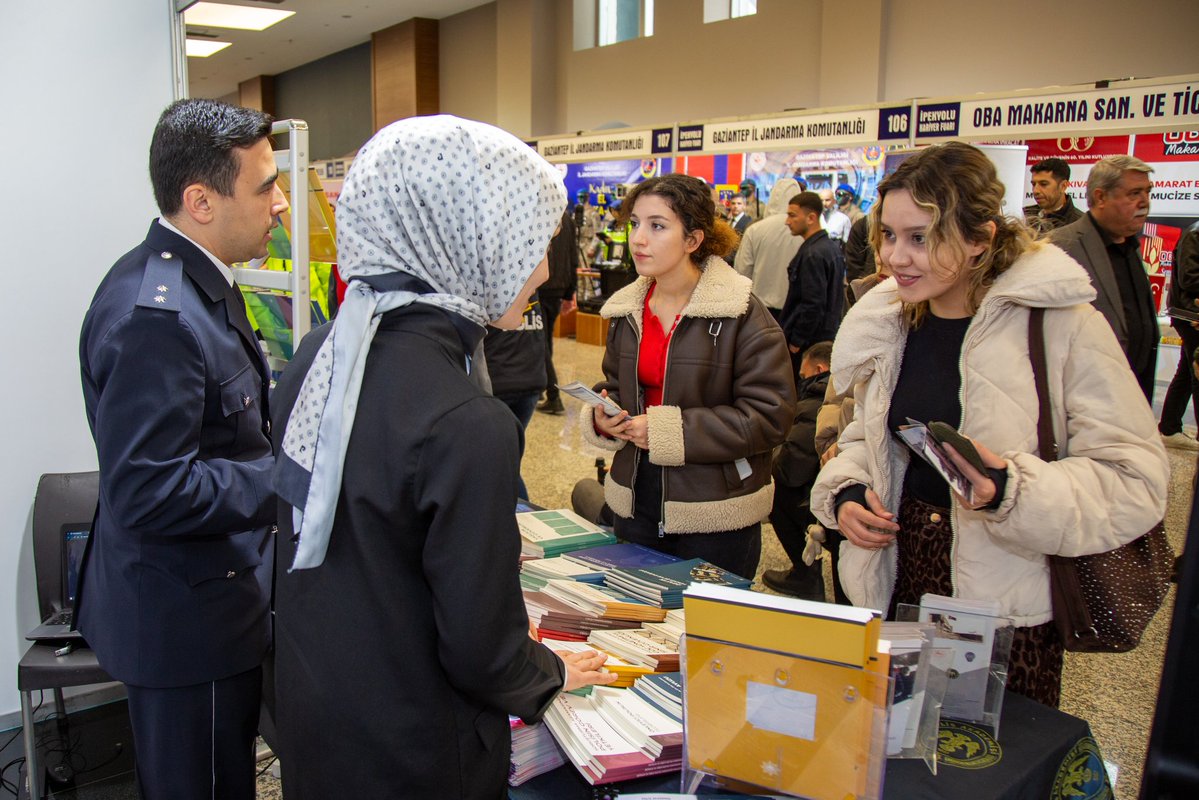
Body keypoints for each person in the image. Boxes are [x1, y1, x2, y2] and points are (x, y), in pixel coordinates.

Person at [270, 116, 615, 798]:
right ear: (466, 238)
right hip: (415, 745)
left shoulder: (322, 354)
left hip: (318, 710)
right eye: (530, 242)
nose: (543, 271)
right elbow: (480, 648)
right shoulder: (465, 420)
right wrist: (543, 674)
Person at [811, 142, 1169, 707]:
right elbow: (867, 435)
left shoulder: (1062, 324)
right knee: (894, 741)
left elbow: (1136, 478)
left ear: (981, 238)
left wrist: (1011, 489)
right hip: (900, 573)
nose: (896, 257)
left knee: (987, 750)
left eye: (920, 238)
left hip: (1003, 599)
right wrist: (850, 492)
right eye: (889, 235)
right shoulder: (890, 321)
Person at [77, 98, 287, 800]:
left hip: (210, 600)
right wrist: (288, 480)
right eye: (265, 187)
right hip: (185, 626)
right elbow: (150, 489)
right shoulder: (158, 316)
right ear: (201, 200)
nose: (281, 204)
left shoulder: (197, 283)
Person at [580, 173, 796, 579]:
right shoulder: (627, 310)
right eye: (635, 224)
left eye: (657, 226)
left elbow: (770, 416)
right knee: (636, 611)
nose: (638, 239)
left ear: (693, 239)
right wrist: (604, 416)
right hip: (637, 499)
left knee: (704, 620)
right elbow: (615, 385)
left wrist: (667, 431)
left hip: (713, 507)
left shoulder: (741, 313)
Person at [1050, 155, 1158, 400]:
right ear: (1100, 197)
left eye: (1147, 192)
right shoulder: (1061, 246)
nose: (1144, 202)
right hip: (1086, 396)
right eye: (1134, 193)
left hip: (1134, 393)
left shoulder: (1130, 246)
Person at [764, 341, 847, 603]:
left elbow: (791, 466)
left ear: (819, 369)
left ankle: (806, 575)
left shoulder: (815, 399)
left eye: (803, 374)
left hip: (830, 503)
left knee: (776, 493)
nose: (800, 380)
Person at [484, 293, 547, 497]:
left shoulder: (490, 288)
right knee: (506, 457)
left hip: (499, 383)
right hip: (532, 380)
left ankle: (522, 511)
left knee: (499, 461)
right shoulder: (530, 287)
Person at [780, 191, 846, 371]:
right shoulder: (829, 248)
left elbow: (813, 303)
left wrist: (797, 339)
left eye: (792, 215)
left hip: (810, 341)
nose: (787, 221)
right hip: (823, 336)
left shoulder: (813, 254)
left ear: (811, 218)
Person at [734, 177, 803, 318]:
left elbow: (742, 271)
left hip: (759, 308)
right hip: (794, 308)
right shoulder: (803, 232)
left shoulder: (755, 230)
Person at [1160, 222, 1199, 447]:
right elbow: (1189, 278)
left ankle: (1169, 426)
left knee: (1186, 372)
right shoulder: (1194, 234)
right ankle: (1169, 427)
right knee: (1195, 373)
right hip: (1189, 314)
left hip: (1188, 312)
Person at [536, 210, 578, 415]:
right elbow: (573, 256)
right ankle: (540, 387)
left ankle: (553, 396)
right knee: (545, 340)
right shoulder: (567, 219)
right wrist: (570, 292)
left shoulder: (540, 213)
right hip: (559, 286)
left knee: (539, 341)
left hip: (540, 286)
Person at [1023, 157, 1082, 233]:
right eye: (1034, 184)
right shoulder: (1025, 218)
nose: (1035, 191)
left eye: (1043, 184)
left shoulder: (1080, 224)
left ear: (1063, 186)